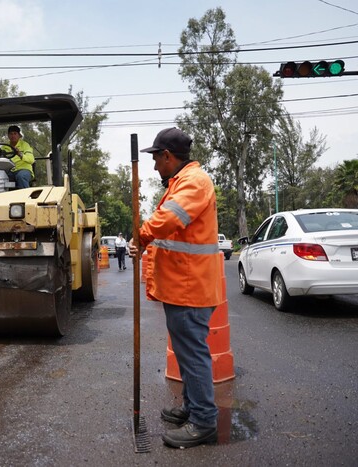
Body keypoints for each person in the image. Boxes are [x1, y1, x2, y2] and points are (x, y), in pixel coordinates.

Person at [128, 127, 222, 449]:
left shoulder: (194, 182)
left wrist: (140, 236)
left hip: (190, 288)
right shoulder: (181, 183)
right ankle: (192, 406)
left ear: (168, 156)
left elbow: (167, 220)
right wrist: (141, 244)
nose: (154, 166)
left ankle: (204, 422)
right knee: (186, 353)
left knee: (193, 355)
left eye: (156, 159)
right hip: (182, 286)